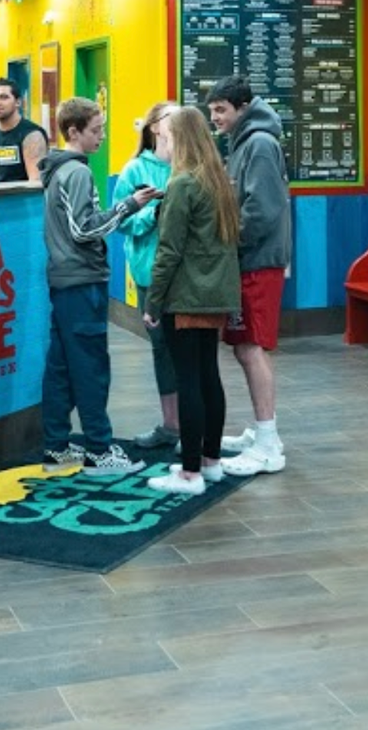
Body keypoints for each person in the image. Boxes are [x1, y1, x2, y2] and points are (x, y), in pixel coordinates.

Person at [37, 96, 157, 476]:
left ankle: (56, 445)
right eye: (96, 130)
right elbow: (84, 229)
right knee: (90, 368)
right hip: (81, 281)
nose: (101, 136)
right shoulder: (77, 173)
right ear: (74, 131)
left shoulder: (60, 170)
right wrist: (129, 206)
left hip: (64, 280)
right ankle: (100, 449)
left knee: (62, 366)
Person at [143, 106, 242, 496]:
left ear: (179, 140)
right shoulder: (219, 181)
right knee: (208, 377)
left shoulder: (183, 184)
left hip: (186, 296)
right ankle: (211, 462)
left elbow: (169, 250)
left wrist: (153, 301)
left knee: (188, 381)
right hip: (217, 294)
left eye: (165, 137)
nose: (162, 144)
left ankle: (189, 474)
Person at [207, 76, 292, 477]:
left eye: (221, 110)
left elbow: (261, 211)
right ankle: (260, 432)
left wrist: (229, 244)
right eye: (211, 111)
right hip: (248, 261)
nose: (215, 118)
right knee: (244, 347)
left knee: (252, 348)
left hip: (257, 261)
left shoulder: (258, 144)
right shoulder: (245, 142)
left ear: (243, 107)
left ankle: (268, 442)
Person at [114, 102, 180, 452]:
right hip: (149, 273)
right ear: (155, 127)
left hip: (188, 273)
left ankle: (193, 423)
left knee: (190, 349)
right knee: (161, 348)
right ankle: (171, 425)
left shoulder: (191, 166)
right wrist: (151, 212)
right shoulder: (134, 170)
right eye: (172, 117)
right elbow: (120, 222)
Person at [0, 77, 47, 184]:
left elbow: (36, 183)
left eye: (4, 97)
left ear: (18, 102)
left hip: (21, 199)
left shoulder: (32, 135)